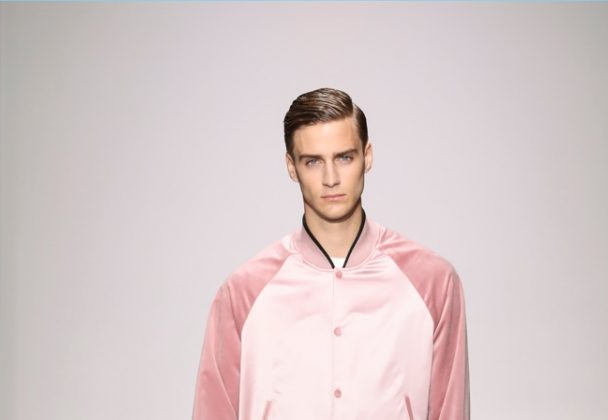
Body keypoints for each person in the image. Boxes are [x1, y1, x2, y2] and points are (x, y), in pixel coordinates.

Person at [192, 87, 470, 420]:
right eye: (313, 161)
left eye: (344, 158)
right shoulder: (243, 292)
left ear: (367, 156)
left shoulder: (433, 282)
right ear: (291, 167)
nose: (331, 178)